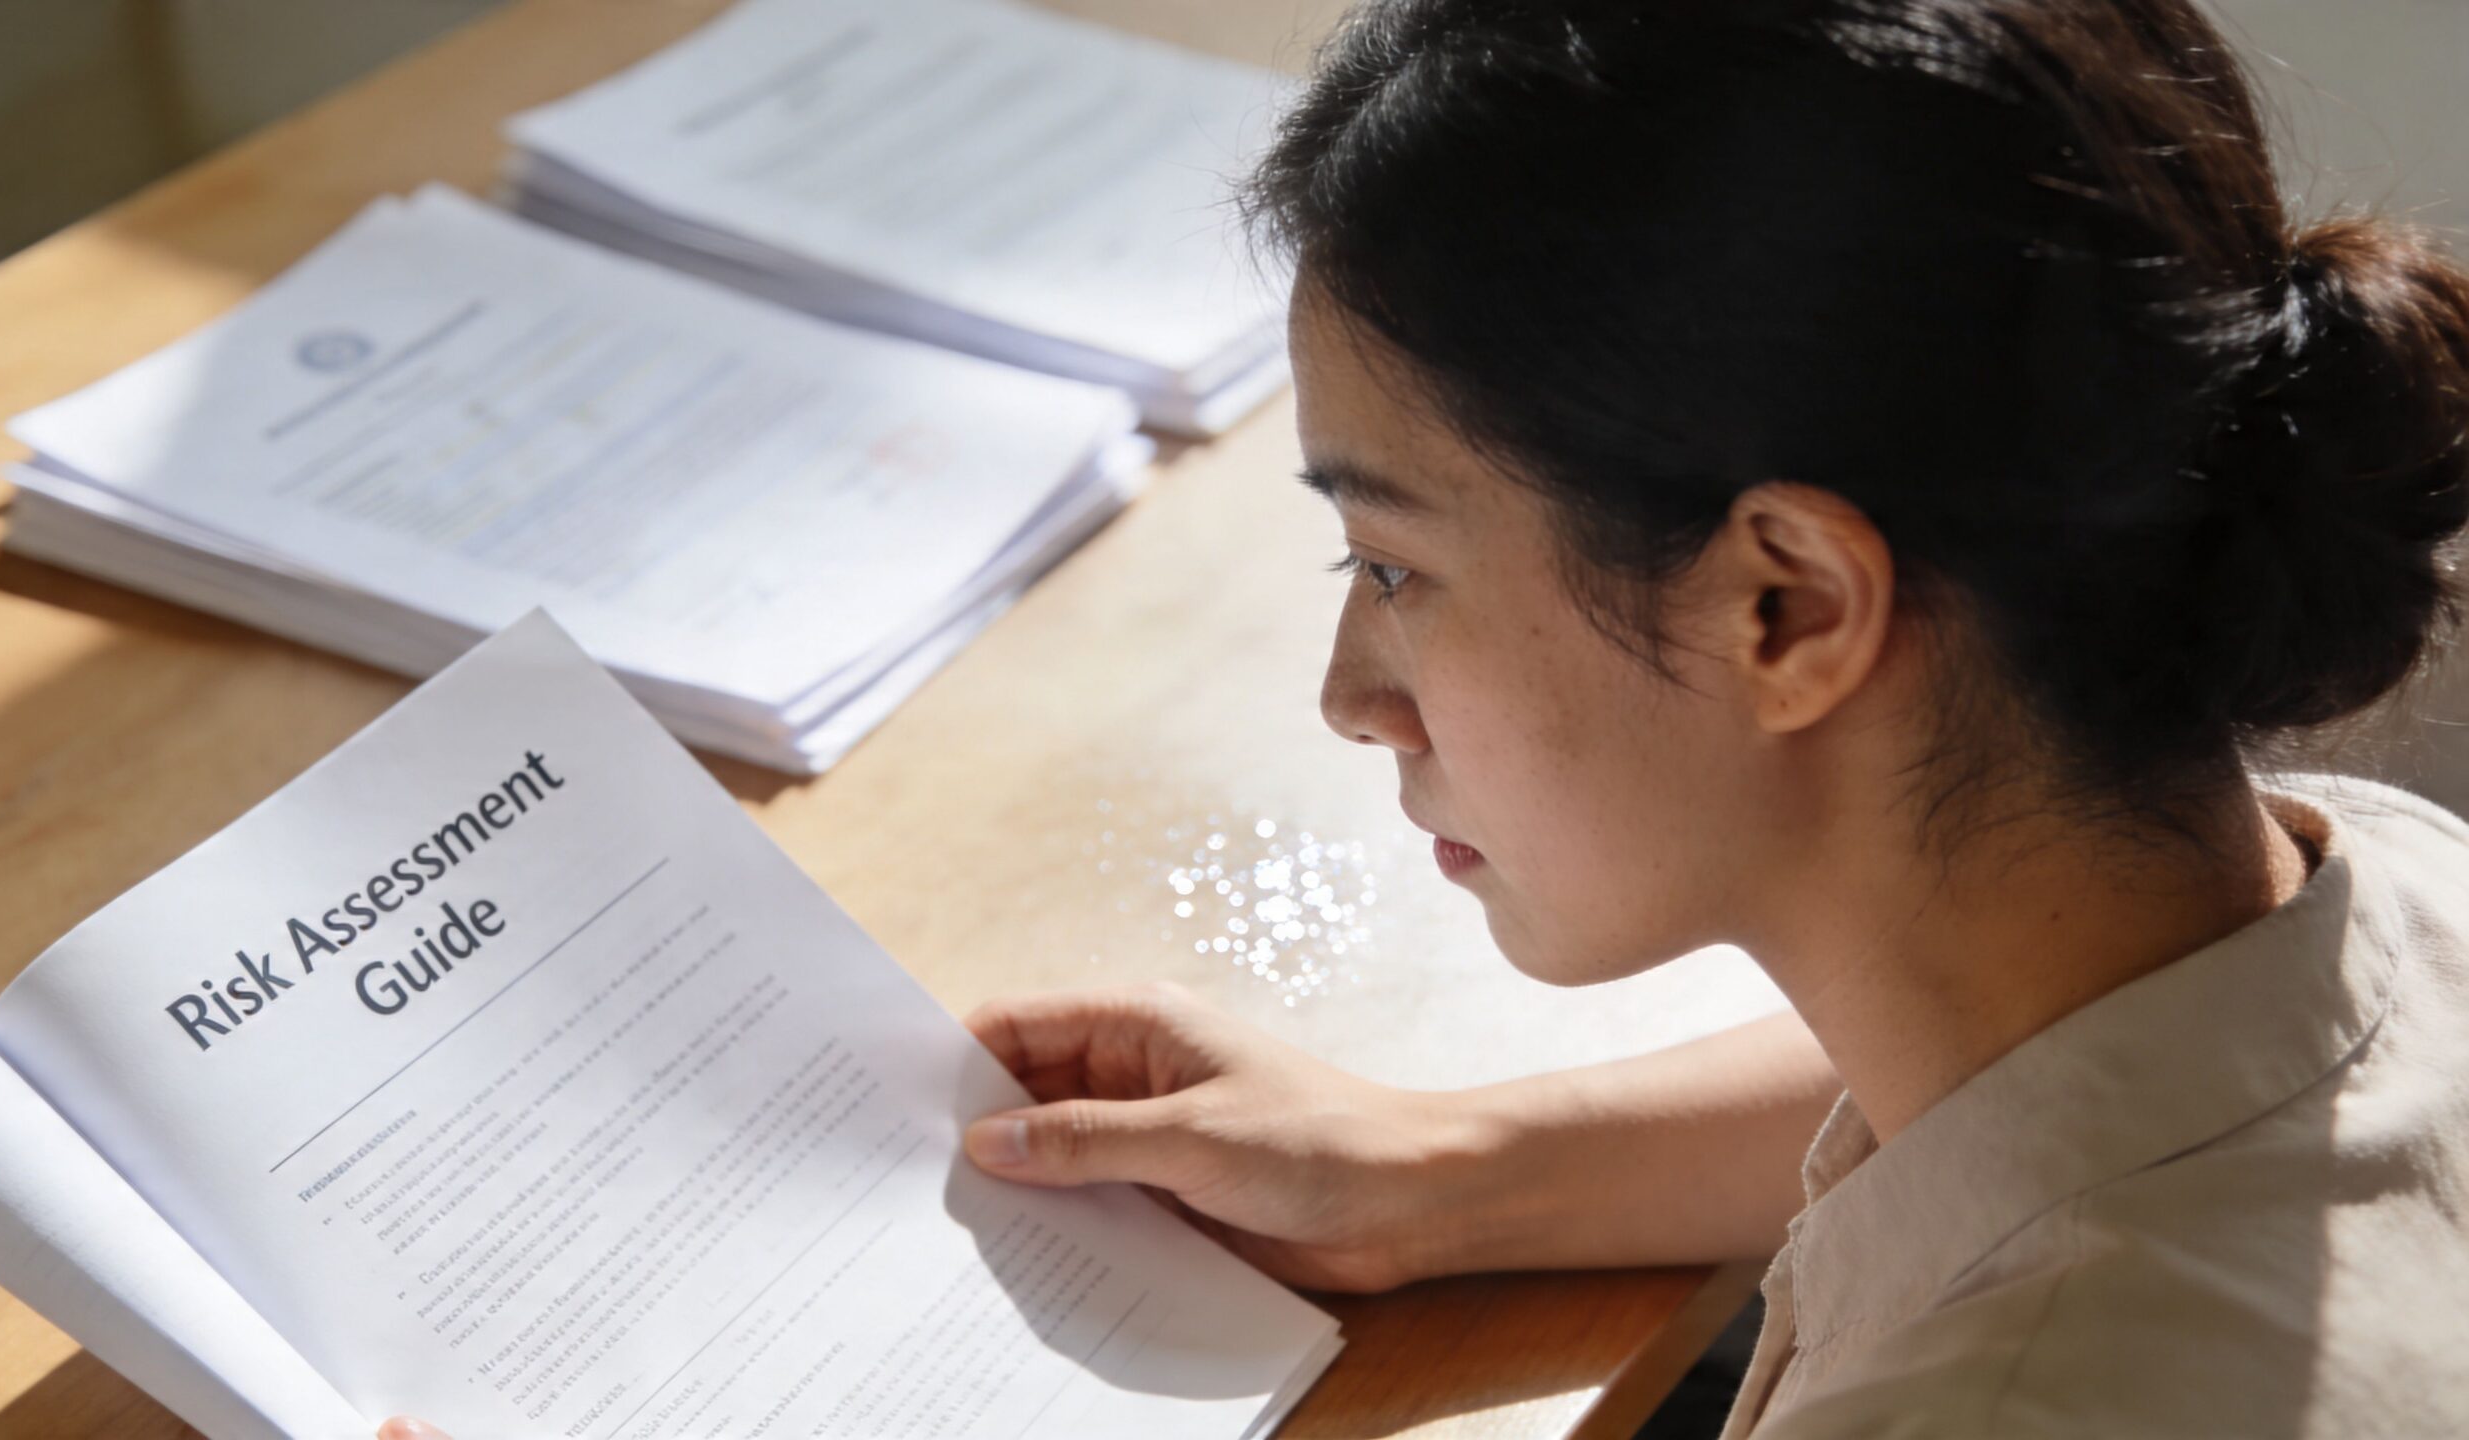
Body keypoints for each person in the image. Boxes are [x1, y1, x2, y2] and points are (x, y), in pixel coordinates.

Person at [386, 0, 2469, 1435]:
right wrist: (1451, 1171)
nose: (1348, 693)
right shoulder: (2368, 884)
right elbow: (2055, 1109)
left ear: (1785, 604)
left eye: (1392, 565)